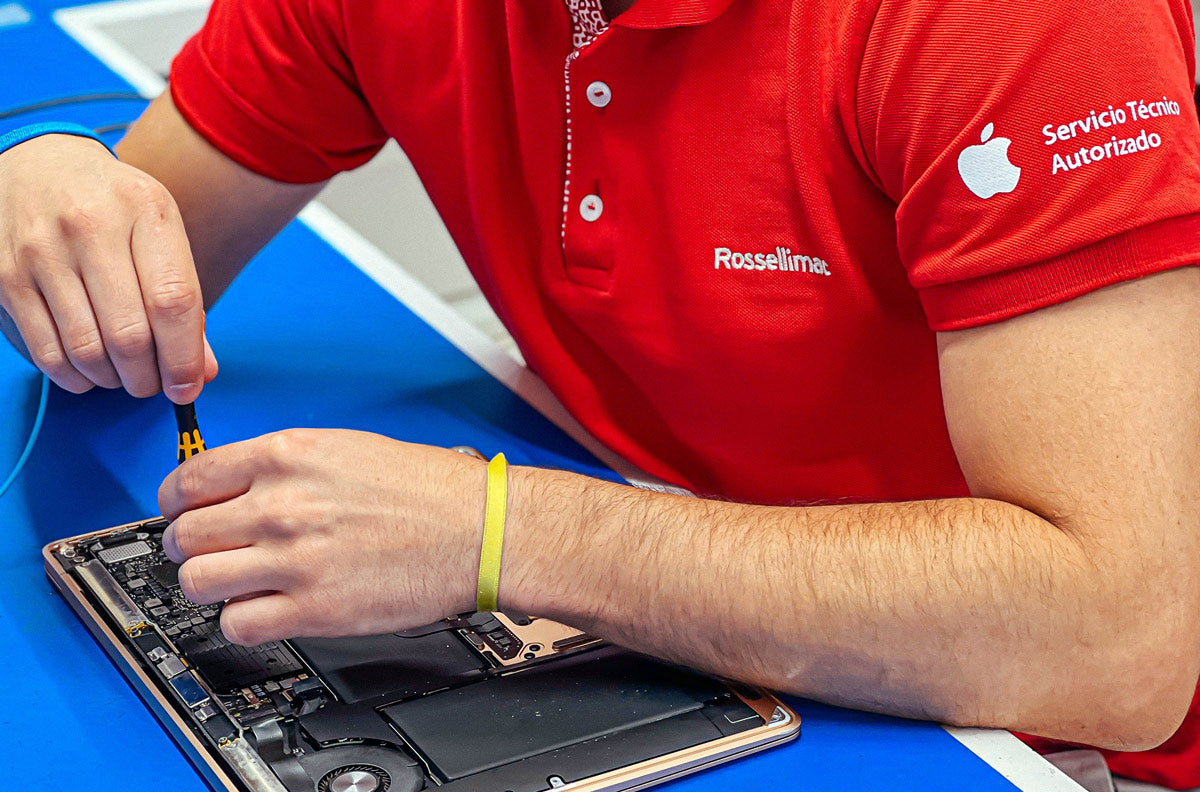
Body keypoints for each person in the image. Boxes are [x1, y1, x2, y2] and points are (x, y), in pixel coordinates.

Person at [2, 0, 1200, 788]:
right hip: (652, 612)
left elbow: (1118, 649)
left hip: (1009, 725)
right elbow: (129, 279)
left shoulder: (1017, 25)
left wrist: (507, 532)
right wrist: (47, 193)